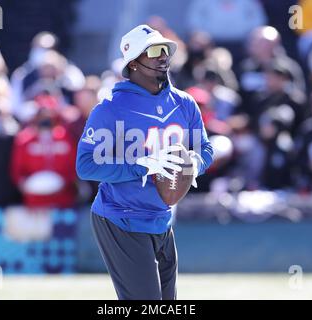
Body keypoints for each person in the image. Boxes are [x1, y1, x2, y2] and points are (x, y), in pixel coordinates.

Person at [76, 25, 213, 300]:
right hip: (120, 217)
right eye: (153, 51)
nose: (163, 56)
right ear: (134, 63)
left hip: (160, 219)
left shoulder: (184, 103)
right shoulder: (110, 108)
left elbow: (204, 147)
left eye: (166, 49)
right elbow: (86, 165)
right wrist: (143, 165)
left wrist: (194, 164)